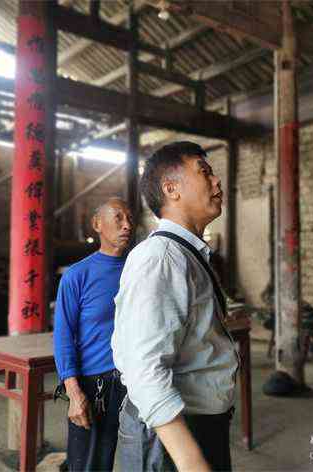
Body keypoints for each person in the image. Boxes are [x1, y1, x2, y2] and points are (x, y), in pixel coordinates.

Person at [111, 141, 240, 472]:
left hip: (197, 425)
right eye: (204, 172)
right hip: (169, 436)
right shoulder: (161, 258)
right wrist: (189, 459)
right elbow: (143, 368)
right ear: (171, 189)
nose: (216, 181)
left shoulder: (185, 253)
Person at [53, 197, 133, 472]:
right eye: (119, 217)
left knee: (146, 460)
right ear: (97, 224)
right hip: (96, 384)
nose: (127, 225)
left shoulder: (139, 269)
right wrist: (74, 392)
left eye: (130, 218)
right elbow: (63, 336)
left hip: (138, 379)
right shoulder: (77, 275)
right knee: (90, 465)